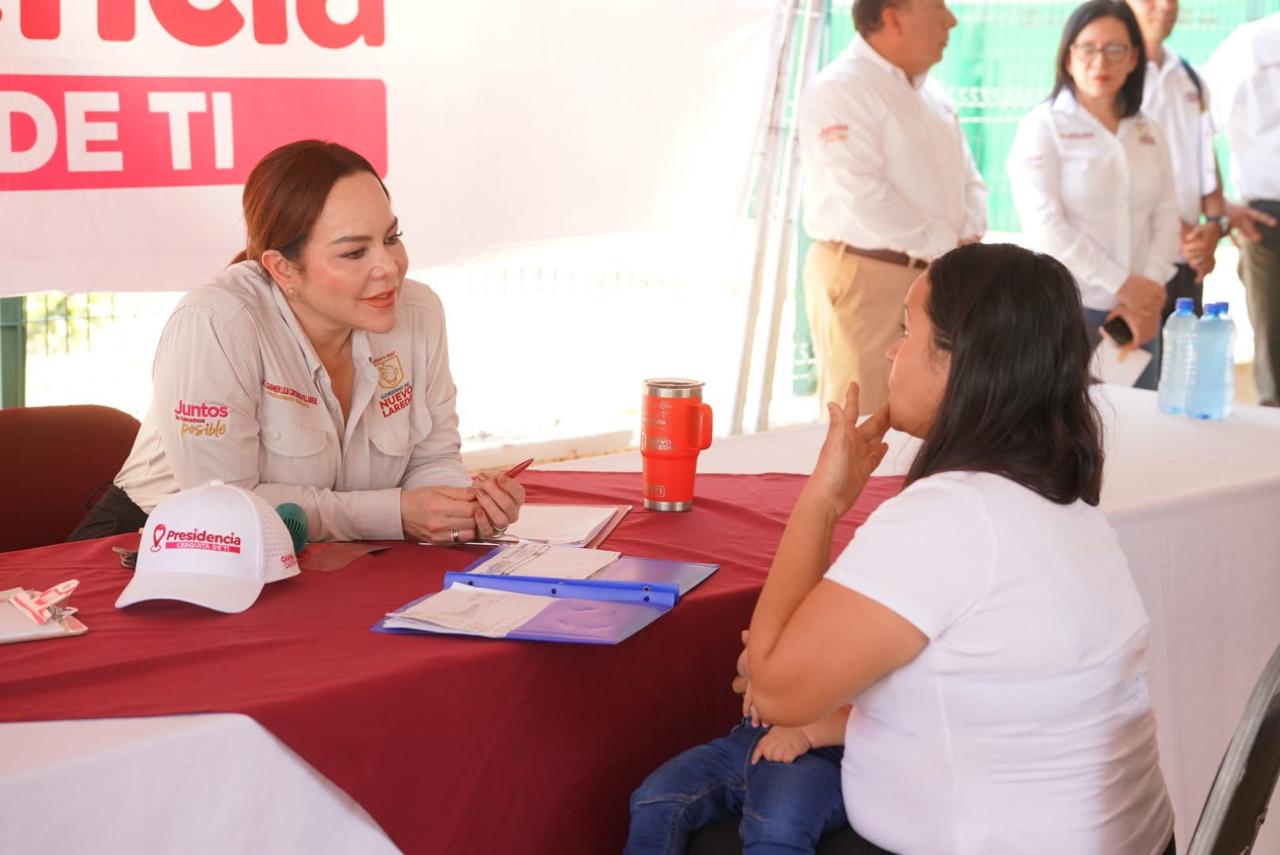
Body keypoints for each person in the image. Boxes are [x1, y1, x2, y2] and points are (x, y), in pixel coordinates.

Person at [741, 243, 1175, 854]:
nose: (891, 351)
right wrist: (782, 658)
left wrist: (822, 502)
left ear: (956, 361)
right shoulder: (1061, 502)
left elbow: (778, 691)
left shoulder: (950, 515)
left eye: (906, 332)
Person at [68, 140, 524, 544]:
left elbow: (433, 458)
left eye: (392, 237)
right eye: (354, 252)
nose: (389, 267)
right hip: (155, 552)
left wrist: (463, 510)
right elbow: (225, 510)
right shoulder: (215, 322)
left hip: (337, 560)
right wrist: (396, 515)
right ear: (282, 268)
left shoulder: (419, 312)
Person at [798, 0, 986, 416]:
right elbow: (864, 195)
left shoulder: (932, 93)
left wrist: (965, 236)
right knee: (863, 418)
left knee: (928, 418)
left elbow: (969, 179)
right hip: (870, 277)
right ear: (892, 15)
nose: (951, 20)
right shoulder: (841, 88)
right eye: (938, 6)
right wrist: (950, 245)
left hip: (934, 273)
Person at [1006, 0, 1181, 391]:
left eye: (1115, 49)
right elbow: (1045, 226)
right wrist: (1124, 285)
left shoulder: (1147, 130)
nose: (1100, 62)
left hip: (1139, 314)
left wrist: (1147, 291)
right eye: (1088, 48)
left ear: (1133, 57)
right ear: (1068, 57)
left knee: (1139, 428)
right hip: (1069, 309)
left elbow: (1168, 213)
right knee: (1066, 433)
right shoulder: (1043, 126)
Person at [626, 638, 850, 854]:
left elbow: (876, 714)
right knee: (655, 796)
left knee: (776, 823)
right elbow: (744, 665)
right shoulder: (794, 608)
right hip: (749, 737)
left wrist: (806, 733)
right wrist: (757, 663)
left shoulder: (868, 619)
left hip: (822, 754)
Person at [1204, 13, 1280, 406]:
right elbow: (1198, 122)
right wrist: (1222, 206)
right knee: (1276, 357)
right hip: (1269, 221)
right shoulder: (1251, 44)